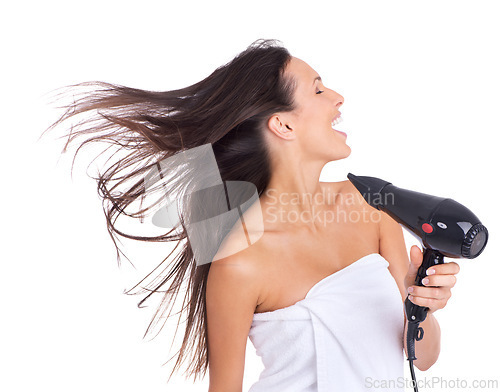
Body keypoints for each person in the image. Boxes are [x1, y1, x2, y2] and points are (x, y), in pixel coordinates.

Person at [44, 39, 460, 392]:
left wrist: (418, 302)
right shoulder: (239, 259)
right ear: (282, 125)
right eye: (317, 91)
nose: (337, 98)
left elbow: (421, 359)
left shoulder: (369, 205)